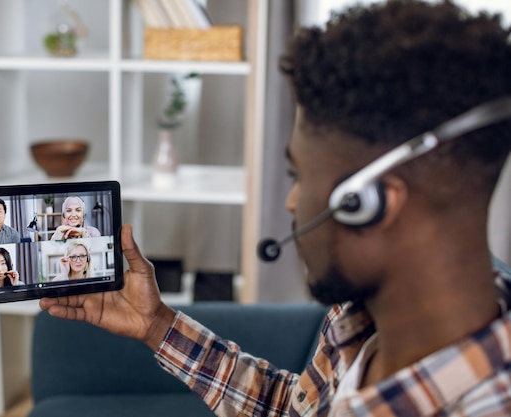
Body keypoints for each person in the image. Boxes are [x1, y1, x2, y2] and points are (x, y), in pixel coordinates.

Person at [40, 1, 511, 416]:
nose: (290, 202)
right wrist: (158, 326)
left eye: (299, 176)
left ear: (367, 203)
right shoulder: (360, 320)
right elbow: (293, 408)